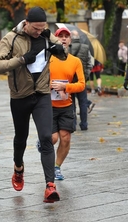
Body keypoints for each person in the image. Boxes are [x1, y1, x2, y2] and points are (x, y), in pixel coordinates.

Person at [0, 7, 67, 203]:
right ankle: (18, 168)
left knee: (46, 137)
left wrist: (60, 50)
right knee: (21, 138)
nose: (39, 32)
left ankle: (50, 186)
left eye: (42, 28)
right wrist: (22, 59)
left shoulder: (47, 36)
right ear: (26, 23)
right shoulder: (12, 38)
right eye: (36, 28)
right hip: (20, 96)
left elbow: (63, 53)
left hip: (42, 94)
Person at [50, 27, 85, 180]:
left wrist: (66, 87)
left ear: (70, 40)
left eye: (66, 36)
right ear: (55, 39)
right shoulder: (48, 58)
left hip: (66, 105)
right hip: (48, 106)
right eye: (60, 36)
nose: (63, 39)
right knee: (53, 138)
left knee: (65, 138)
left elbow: (82, 84)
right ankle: (42, 140)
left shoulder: (75, 61)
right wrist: (50, 84)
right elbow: (37, 79)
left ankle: (57, 167)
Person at [69, 29, 94, 131]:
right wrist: (85, 76)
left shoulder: (67, 49)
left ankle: (73, 124)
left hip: (70, 81)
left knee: (72, 104)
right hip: (81, 80)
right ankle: (84, 124)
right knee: (83, 103)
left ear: (71, 38)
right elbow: (90, 64)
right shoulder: (85, 48)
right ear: (79, 37)